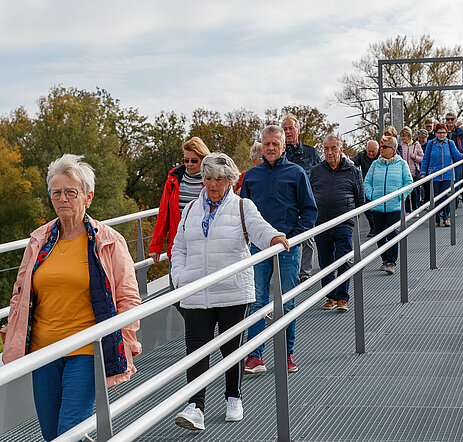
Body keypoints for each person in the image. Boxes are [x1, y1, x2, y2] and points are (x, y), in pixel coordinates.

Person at [0, 154, 141, 441]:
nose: (62, 198)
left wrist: (124, 343)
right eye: (56, 193)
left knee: (70, 430)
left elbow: (128, 298)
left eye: (71, 192)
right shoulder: (39, 240)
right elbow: (20, 292)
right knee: (51, 433)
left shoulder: (109, 241)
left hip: (86, 349)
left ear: (88, 196)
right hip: (43, 350)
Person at [171, 153, 288, 429]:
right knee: (196, 350)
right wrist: (180, 278)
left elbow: (259, 229)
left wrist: (274, 237)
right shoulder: (191, 209)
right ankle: (195, 406)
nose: (213, 184)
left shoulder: (242, 207)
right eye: (208, 178)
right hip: (196, 291)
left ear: (230, 181)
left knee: (231, 348)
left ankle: (233, 397)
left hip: (232, 291)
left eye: (219, 179)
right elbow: (179, 247)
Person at [241, 125, 317, 374]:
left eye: (275, 144)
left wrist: (293, 238)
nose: (271, 148)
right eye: (267, 144)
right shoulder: (252, 176)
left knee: (286, 302)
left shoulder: (296, 173)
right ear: (261, 146)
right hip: (259, 249)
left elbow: (309, 210)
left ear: (284, 146)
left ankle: (286, 353)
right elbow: (243, 212)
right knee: (257, 302)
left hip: (287, 248)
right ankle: (255, 356)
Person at [309, 136, 364, 311]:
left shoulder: (353, 171)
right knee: (325, 262)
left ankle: (342, 298)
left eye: (333, 148)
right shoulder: (316, 171)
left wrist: (351, 216)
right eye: (326, 148)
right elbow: (310, 196)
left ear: (341, 149)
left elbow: (360, 198)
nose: (329, 152)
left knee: (343, 260)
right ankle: (330, 296)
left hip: (344, 222)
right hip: (322, 223)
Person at [149, 137, 210, 290]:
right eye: (186, 160)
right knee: (176, 290)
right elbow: (164, 213)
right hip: (178, 244)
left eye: (194, 161)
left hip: (203, 244)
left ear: (203, 159)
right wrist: (156, 246)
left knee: (201, 290)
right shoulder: (174, 180)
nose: (189, 164)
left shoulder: (211, 181)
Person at [363, 135, 413, 275]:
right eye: (381, 146)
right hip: (377, 206)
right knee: (379, 235)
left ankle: (391, 262)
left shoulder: (401, 164)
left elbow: (409, 183)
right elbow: (367, 182)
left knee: (391, 233)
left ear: (393, 149)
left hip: (394, 206)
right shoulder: (375, 164)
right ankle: (385, 259)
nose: (381, 149)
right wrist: (372, 195)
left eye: (385, 147)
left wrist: (400, 197)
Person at [282, 114, 320, 283]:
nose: (288, 132)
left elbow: (320, 176)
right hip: (286, 204)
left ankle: (305, 273)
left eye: (291, 128)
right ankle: (289, 272)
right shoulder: (280, 153)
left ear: (298, 130)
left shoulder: (311, 152)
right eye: (285, 129)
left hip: (306, 202)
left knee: (308, 239)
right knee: (287, 239)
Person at [420, 124, 463, 227]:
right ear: (435, 133)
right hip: (434, 175)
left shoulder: (450, 143)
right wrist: (423, 173)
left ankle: (446, 217)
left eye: (443, 132)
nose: (441, 135)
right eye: (439, 132)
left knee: (446, 197)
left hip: (447, 175)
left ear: (446, 133)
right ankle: (437, 219)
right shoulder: (431, 143)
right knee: (436, 198)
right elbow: (426, 159)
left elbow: (456, 154)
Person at [352, 140, 379, 237]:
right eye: (369, 151)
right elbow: (352, 162)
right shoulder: (362, 155)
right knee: (366, 208)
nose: (371, 153)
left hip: (379, 185)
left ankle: (378, 228)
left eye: (373, 151)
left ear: (378, 150)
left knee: (378, 209)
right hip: (367, 186)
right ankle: (373, 227)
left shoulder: (382, 155)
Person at [445, 112, 463, 207]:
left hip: (457, 162)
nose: (450, 121)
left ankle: (453, 208)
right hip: (445, 163)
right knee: (445, 187)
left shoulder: (461, 133)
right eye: (448, 119)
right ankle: (445, 210)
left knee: (456, 185)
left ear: (455, 120)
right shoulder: (441, 132)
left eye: (452, 119)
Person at [399, 126, 424, 213]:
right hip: (404, 173)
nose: (403, 138)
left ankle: (415, 209)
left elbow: (423, 158)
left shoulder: (416, 145)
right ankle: (407, 211)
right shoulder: (400, 146)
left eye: (404, 136)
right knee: (405, 192)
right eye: (402, 136)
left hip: (414, 172)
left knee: (414, 192)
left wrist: (415, 157)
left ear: (409, 136)